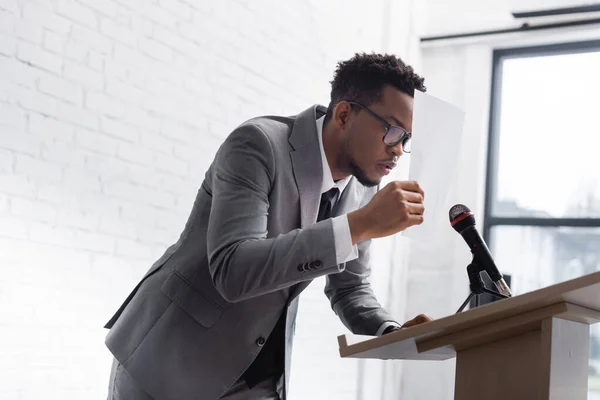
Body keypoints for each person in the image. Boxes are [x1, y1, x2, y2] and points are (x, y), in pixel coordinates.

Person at [104, 52, 432, 400]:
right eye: (393, 131)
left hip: (257, 376)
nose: (398, 151)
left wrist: (388, 330)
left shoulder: (364, 186)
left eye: (406, 139)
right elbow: (233, 269)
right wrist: (357, 226)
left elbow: (350, 288)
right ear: (345, 114)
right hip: (169, 361)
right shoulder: (257, 144)